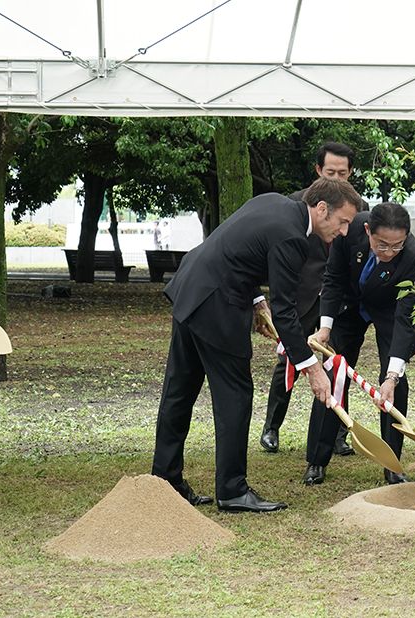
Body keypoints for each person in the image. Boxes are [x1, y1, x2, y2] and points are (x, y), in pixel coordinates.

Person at [151, 177, 361, 512]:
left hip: (191, 290)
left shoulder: (273, 202)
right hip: (216, 306)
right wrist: (311, 368)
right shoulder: (293, 237)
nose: (345, 231)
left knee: (179, 392)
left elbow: (238, 251)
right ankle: (232, 490)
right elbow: (286, 310)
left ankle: (164, 481)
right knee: (235, 395)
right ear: (322, 209)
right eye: (343, 221)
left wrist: (255, 301)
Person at [302, 202, 415, 486]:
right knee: (333, 375)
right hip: (349, 305)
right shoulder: (350, 229)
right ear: (368, 231)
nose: (389, 253)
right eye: (382, 245)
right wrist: (325, 328)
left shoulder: (412, 255)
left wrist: (392, 376)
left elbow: (406, 317)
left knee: (395, 382)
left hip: (390, 311)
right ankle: (317, 460)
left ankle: (391, 463)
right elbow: (332, 279)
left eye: (397, 246)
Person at [259, 141, 366, 457]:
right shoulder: (298, 205)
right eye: (331, 171)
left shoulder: (358, 211)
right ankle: (271, 427)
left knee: (338, 365)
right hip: (303, 296)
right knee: (290, 360)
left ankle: (334, 435)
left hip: (339, 302)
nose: (337, 177)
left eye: (343, 173)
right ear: (318, 171)